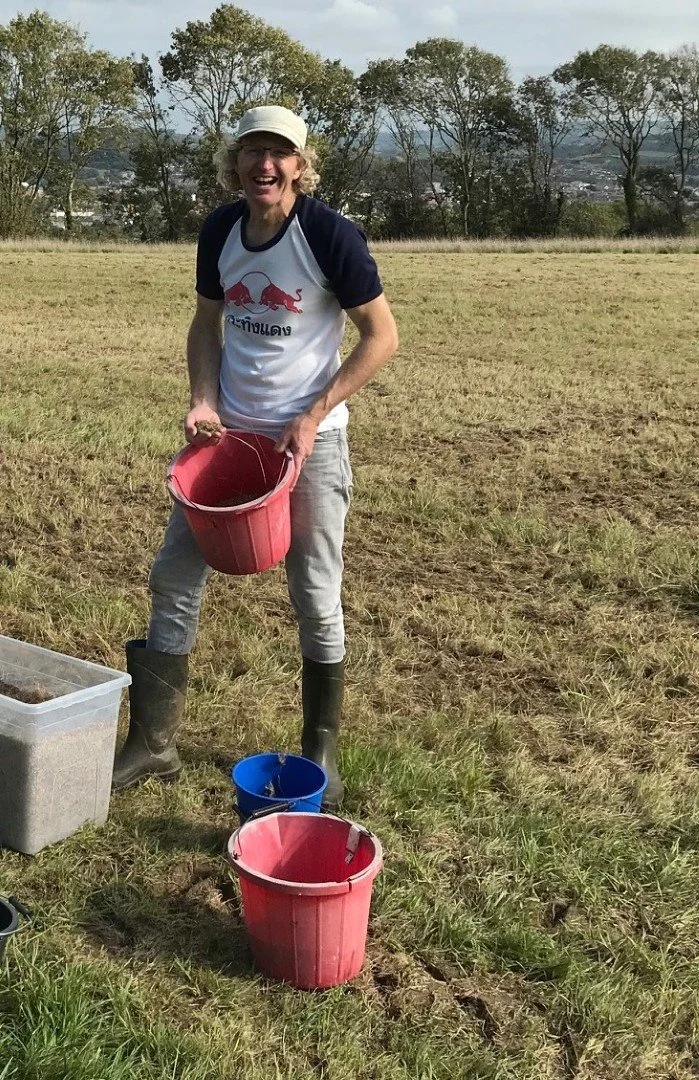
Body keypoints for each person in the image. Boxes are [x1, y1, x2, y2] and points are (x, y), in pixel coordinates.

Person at [112, 105, 398, 809]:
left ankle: (319, 754)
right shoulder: (220, 229)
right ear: (234, 163)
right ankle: (154, 744)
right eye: (251, 152)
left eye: (279, 153)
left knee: (313, 594)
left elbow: (381, 337)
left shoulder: (330, 235)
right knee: (173, 575)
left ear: (300, 165)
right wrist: (202, 398)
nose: (263, 165)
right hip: (227, 440)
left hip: (308, 446)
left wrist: (312, 416)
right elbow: (207, 322)